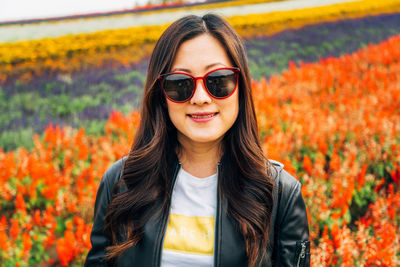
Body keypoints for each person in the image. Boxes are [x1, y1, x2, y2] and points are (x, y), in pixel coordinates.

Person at [85, 14, 310, 267]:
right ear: (161, 95)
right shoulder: (120, 183)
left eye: (218, 81)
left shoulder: (281, 194)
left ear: (241, 87)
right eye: (180, 84)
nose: (201, 97)